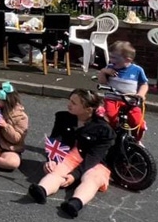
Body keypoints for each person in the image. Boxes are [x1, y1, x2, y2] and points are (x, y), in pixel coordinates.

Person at [28, 89, 115, 218]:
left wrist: (75, 175)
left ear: (88, 109)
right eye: (70, 101)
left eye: (74, 103)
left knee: (92, 179)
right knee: (57, 170)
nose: (69, 104)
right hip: (71, 155)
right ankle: (41, 190)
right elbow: (55, 140)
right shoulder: (63, 117)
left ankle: (76, 203)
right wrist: (51, 159)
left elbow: (94, 157)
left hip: (94, 162)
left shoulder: (103, 130)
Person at [97, 41, 148, 140]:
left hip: (130, 100)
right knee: (110, 117)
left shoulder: (137, 70)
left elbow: (144, 84)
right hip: (112, 98)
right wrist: (103, 72)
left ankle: (137, 140)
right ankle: (110, 137)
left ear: (127, 60)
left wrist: (141, 94)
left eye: (114, 58)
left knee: (137, 123)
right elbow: (102, 81)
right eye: (111, 57)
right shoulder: (110, 68)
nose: (111, 60)